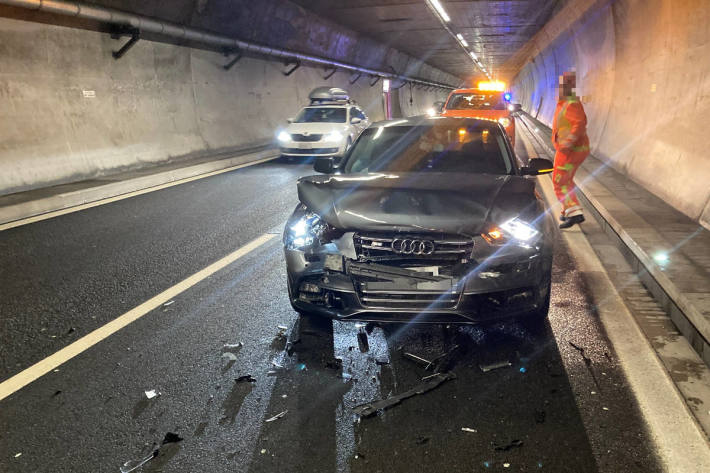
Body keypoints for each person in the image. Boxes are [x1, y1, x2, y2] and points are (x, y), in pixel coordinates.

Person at [551, 71, 589, 228]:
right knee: (566, 180)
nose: (561, 88)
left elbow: (579, 122)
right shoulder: (563, 103)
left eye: (565, 85)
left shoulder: (571, 102)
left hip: (571, 150)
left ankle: (575, 214)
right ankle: (568, 210)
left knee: (559, 181)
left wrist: (568, 143)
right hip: (567, 149)